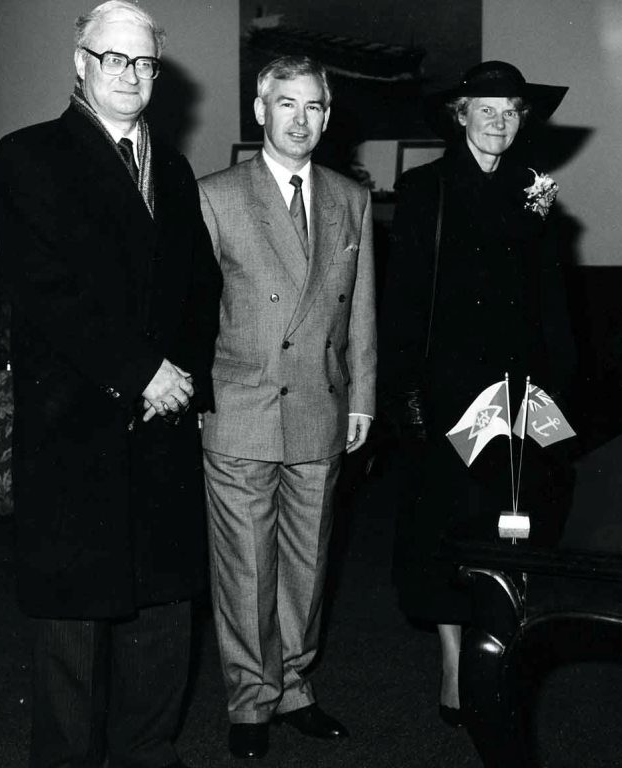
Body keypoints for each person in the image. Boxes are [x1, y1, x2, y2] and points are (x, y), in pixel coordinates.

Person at [0, 2, 222, 767]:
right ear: (80, 64)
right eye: (113, 59)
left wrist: (178, 380)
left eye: (144, 62)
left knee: (161, 607)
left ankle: (147, 751)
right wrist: (141, 373)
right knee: (75, 620)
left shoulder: (175, 169)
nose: (130, 75)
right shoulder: (30, 156)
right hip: (78, 425)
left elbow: (199, 289)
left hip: (162, 419)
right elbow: (49, 291)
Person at [379, 60, 572, 726]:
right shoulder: (424, 187)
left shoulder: (535, 189)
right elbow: (403, 300)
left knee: (511, 520)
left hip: (521, 387)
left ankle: (502, 648)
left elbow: (551, 298)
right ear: (458, 115)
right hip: (448, 386)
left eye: (512, 110)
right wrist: (402, 392)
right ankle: (454, 665)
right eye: (485, 109)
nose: (500, 121)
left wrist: (561, 385)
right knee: (446, 525)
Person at [197, 55, 376, 760]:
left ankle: (294, 686)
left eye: (314, 108)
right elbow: (192, 312)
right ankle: (249, 697)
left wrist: (362, 397)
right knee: (245, 564)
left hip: (321, 407)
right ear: (259, 111)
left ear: (327, 117)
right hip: (241, 403)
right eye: (287, 105)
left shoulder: (348, 197)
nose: (300, 120)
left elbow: (361, 310)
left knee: (307, 559)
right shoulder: (215, 195)